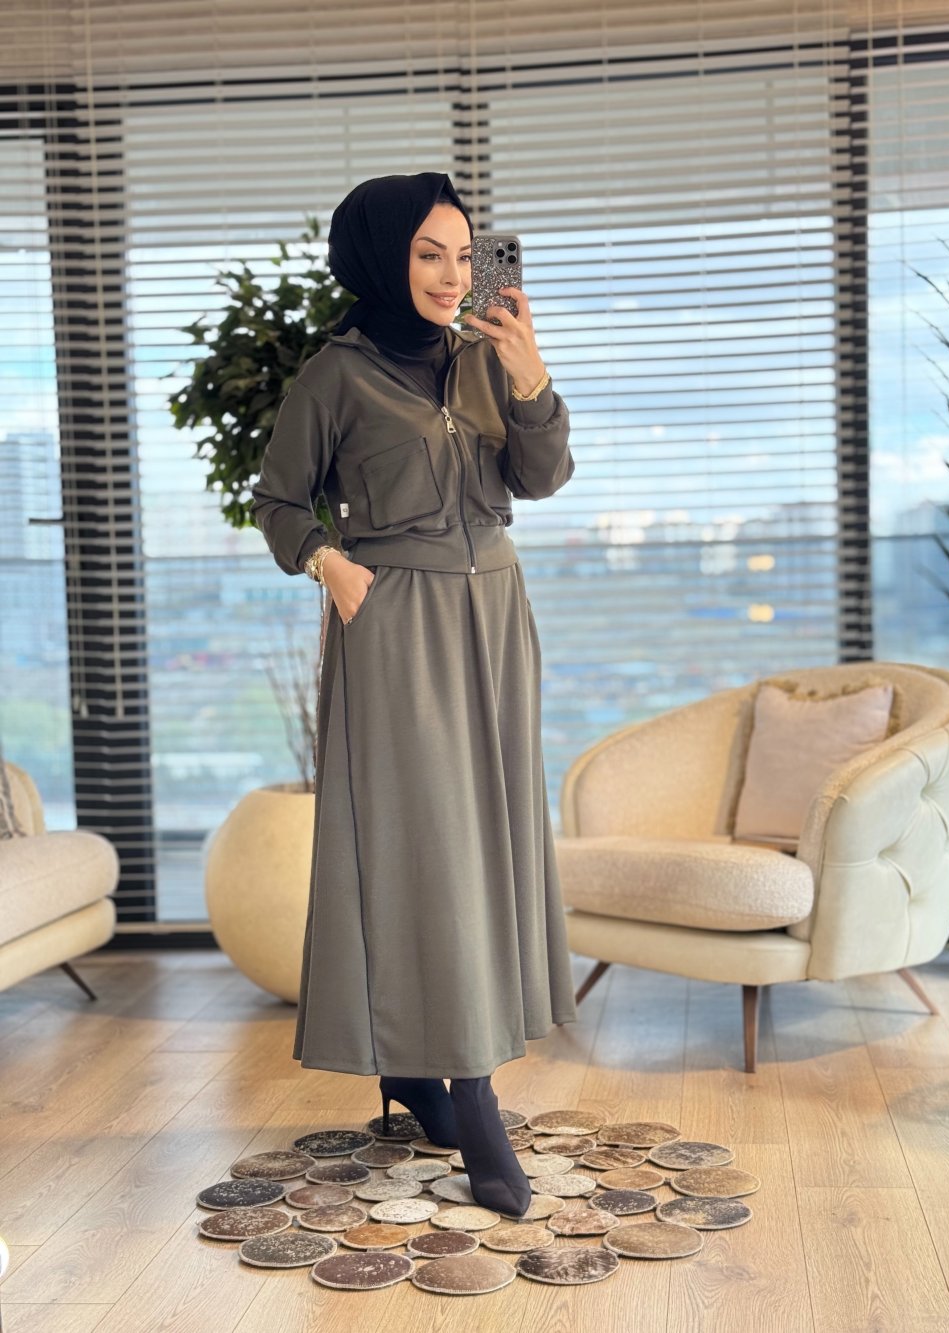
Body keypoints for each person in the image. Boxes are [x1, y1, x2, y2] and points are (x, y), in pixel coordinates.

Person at [250, 171, 578, 1219]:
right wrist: (331, 566)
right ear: (382, 257)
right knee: (429, 851)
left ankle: (419, 1071)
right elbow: (277, 499)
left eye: (464, 254)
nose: (450, 274)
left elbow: (542, 478)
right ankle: (472, 1095)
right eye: (429, 253)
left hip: (498, 618)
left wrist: (529, 378)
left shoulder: (485, 355)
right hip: (398, 628)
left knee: (490, 843)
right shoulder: (335, 374)